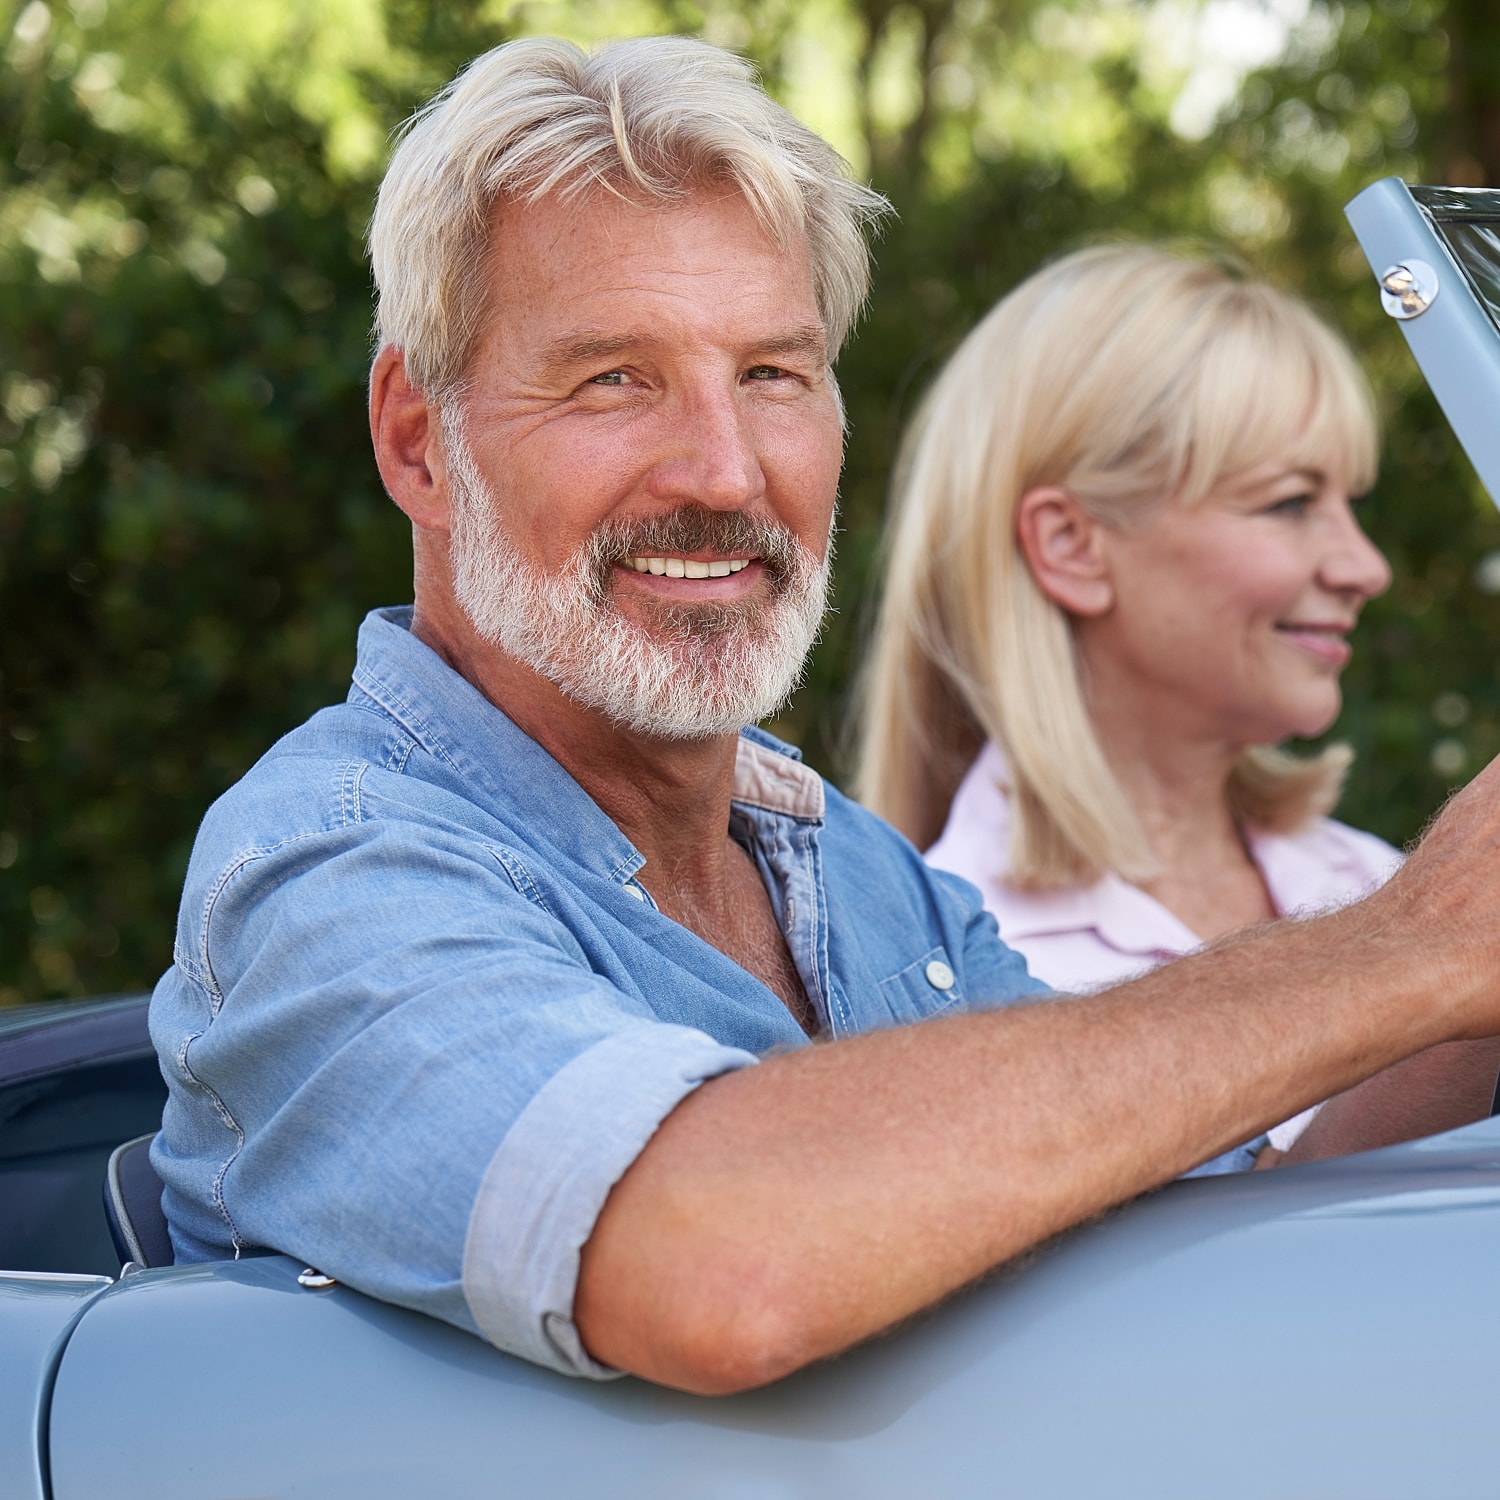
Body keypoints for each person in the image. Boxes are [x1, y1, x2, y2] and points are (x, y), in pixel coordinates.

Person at [151, 34, 1500, 1399]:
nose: (726, 471)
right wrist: (1418, 943)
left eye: (774, 374)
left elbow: (1222, 1220)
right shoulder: (325, 875)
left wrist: (1480, 979)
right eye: (615, 377)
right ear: (416, 439)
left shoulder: (855, 875)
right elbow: (715, 1259)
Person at [857, 246, 1401, 1163]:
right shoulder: (943, 979)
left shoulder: (1377, 882)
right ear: (1071, 545)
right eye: (1289, 503)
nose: (1365, 567)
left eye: (1348, 503)